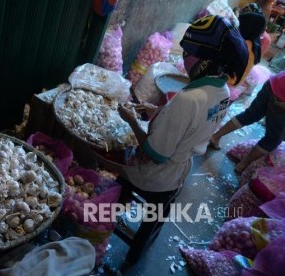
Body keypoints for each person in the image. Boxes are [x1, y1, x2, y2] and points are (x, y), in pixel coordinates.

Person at [116, 15, 249, 266]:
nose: (183, 58)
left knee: (115, 168)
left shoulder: (189, 99)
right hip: (181, 171)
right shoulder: (221, 91)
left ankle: (106, 217)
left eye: (188, 53)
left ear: (207, 61)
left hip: (157, 175)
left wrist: (131, 119)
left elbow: (157, 153)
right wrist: (156, 111)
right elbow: (193, 124)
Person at [209, 70, 285, 173]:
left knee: (250, 115)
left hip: (274, 81)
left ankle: (215, 136)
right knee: (273, 138)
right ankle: (242, 165)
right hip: (282, 97)